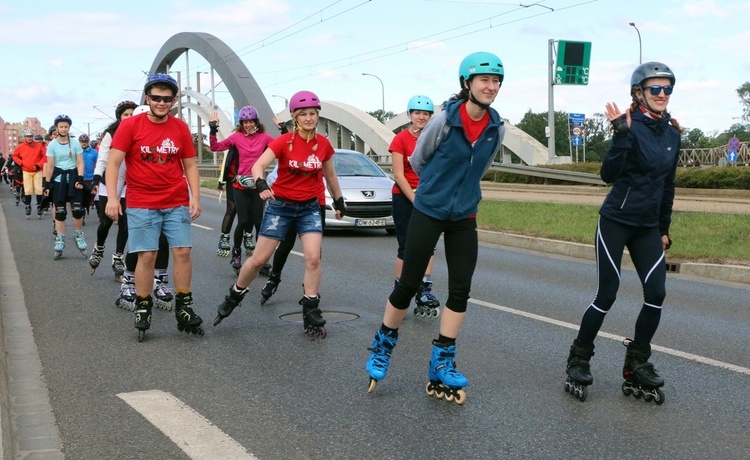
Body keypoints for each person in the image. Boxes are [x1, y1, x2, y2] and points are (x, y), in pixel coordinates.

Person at [365, 52, 506, 404]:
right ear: (466, 83)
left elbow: (483, 165)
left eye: (497, 81)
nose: (492, 86)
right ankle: (383, 343)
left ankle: (442, 360)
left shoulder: (496, 126)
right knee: (409, 281)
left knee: (460, 290)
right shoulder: (443, 121)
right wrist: (437, 191)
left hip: (465, 216)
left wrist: (462, 194)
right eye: (484, 80)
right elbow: (418, 160)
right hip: (429, 209)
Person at [564, 62, 681, 404]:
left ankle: (637, 362)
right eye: (655, 89)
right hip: (616, 220)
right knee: (608, 293)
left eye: (667, 89)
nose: (662, 94)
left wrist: (663, 228)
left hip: (647, 227)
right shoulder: (627, 126)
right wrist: (621, 135)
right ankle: (579, 358)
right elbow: (608, 174)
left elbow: (668, 185)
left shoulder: (673, 133)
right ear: (639, 93)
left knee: (656, 292)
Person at [212, 90, 346, 337]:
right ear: (294, 116)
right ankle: (235, 294)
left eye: (313, 113)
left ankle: (311, 308)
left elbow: (330, 175)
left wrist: (339, 200)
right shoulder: (283, 142)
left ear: (318, 116)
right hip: (280, 206)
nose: (308, 118)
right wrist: (261, 184)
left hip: (308, 208)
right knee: (259, 259)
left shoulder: (323, 145)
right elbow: (258, 166)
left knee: (313, 258)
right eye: (303, 114)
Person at [105, 73, 203, 341]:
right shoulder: (130, 126)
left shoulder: (180, 127)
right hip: (141, 201)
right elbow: (113, 163)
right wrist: (113, 198)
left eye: (167, 98)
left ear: (174, 100)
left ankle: (184, 307)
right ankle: (143, 305)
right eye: (156, 98)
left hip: (175, 199)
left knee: (182, 252)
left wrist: (195, 196)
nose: (162, 103)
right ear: (147, 98)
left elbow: (190, 164)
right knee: (146, 256)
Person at [389, 95, 442, 318]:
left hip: (428, 198)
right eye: (417, 113)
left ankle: (423, 289)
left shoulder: (435, 138)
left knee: (428, 246)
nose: (421, 117)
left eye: (426, 114)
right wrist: (414, 199)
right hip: (405, 198)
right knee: (407, 246)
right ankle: (401, 287)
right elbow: (399, 175)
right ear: (409, 115)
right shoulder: (400, 139)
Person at [208, 106, 275, 272]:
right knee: (243, 221)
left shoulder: (265, 138)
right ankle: (236, 253)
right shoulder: (236, 137)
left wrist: (286, 130)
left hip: (257, 186)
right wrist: (212, 130)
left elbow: (283, 148)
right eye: (245, 122)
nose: (248, 125)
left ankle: (261, 258)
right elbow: (215, 147)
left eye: (251, 122)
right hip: (239, 186)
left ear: (256, 122)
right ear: (241, 123)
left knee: (259, 223)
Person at [89, 100, 138, 280]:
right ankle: (99, 247)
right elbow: (102, 159)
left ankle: (118, 257)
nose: (129, 118)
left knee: (125, 222)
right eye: (126, 114)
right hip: (110, 181)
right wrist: (95, 179)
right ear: (119, 117)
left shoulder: (140, 131)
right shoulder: (111, 133)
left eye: (133, 114)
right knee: (107, 221)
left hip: (130, 182)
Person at [43, 115, 87, 259]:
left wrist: (80, 177)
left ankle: (78, 235)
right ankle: (60, 238)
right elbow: (50, 165)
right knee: (60, 210)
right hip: (58, 179)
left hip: (73, 178)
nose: (63, 129)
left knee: (77, 208)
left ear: (69, 128)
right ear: (56, 128)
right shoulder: (52, 145)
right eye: (61, 126)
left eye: (66, 126)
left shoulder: (74, 143)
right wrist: (47, 184)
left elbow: (80, 162)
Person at [12, 129, 46, 218]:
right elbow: (14, 156)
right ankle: (28, 206)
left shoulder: (38, 145)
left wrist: (39, 165)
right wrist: (21, 162)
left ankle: (39, 205)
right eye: (27, 137)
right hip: (26, 171)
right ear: (25, 137)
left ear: (32, 137)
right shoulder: (21, 146)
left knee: (39, 189)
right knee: (28, 190)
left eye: (30, 136)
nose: (29, 138)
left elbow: (44, 157)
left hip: (37, 171)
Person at [79, 133, 98, 218]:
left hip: (91, 178)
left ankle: (100, 214)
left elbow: (99, 164)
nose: (84, 143)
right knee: (82, 199)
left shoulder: (94, 152)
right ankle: (82, 215)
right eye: (82, 141)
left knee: (95, 198)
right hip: (81, 178)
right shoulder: (77, 152)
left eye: (85, 141)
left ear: (88, 142)